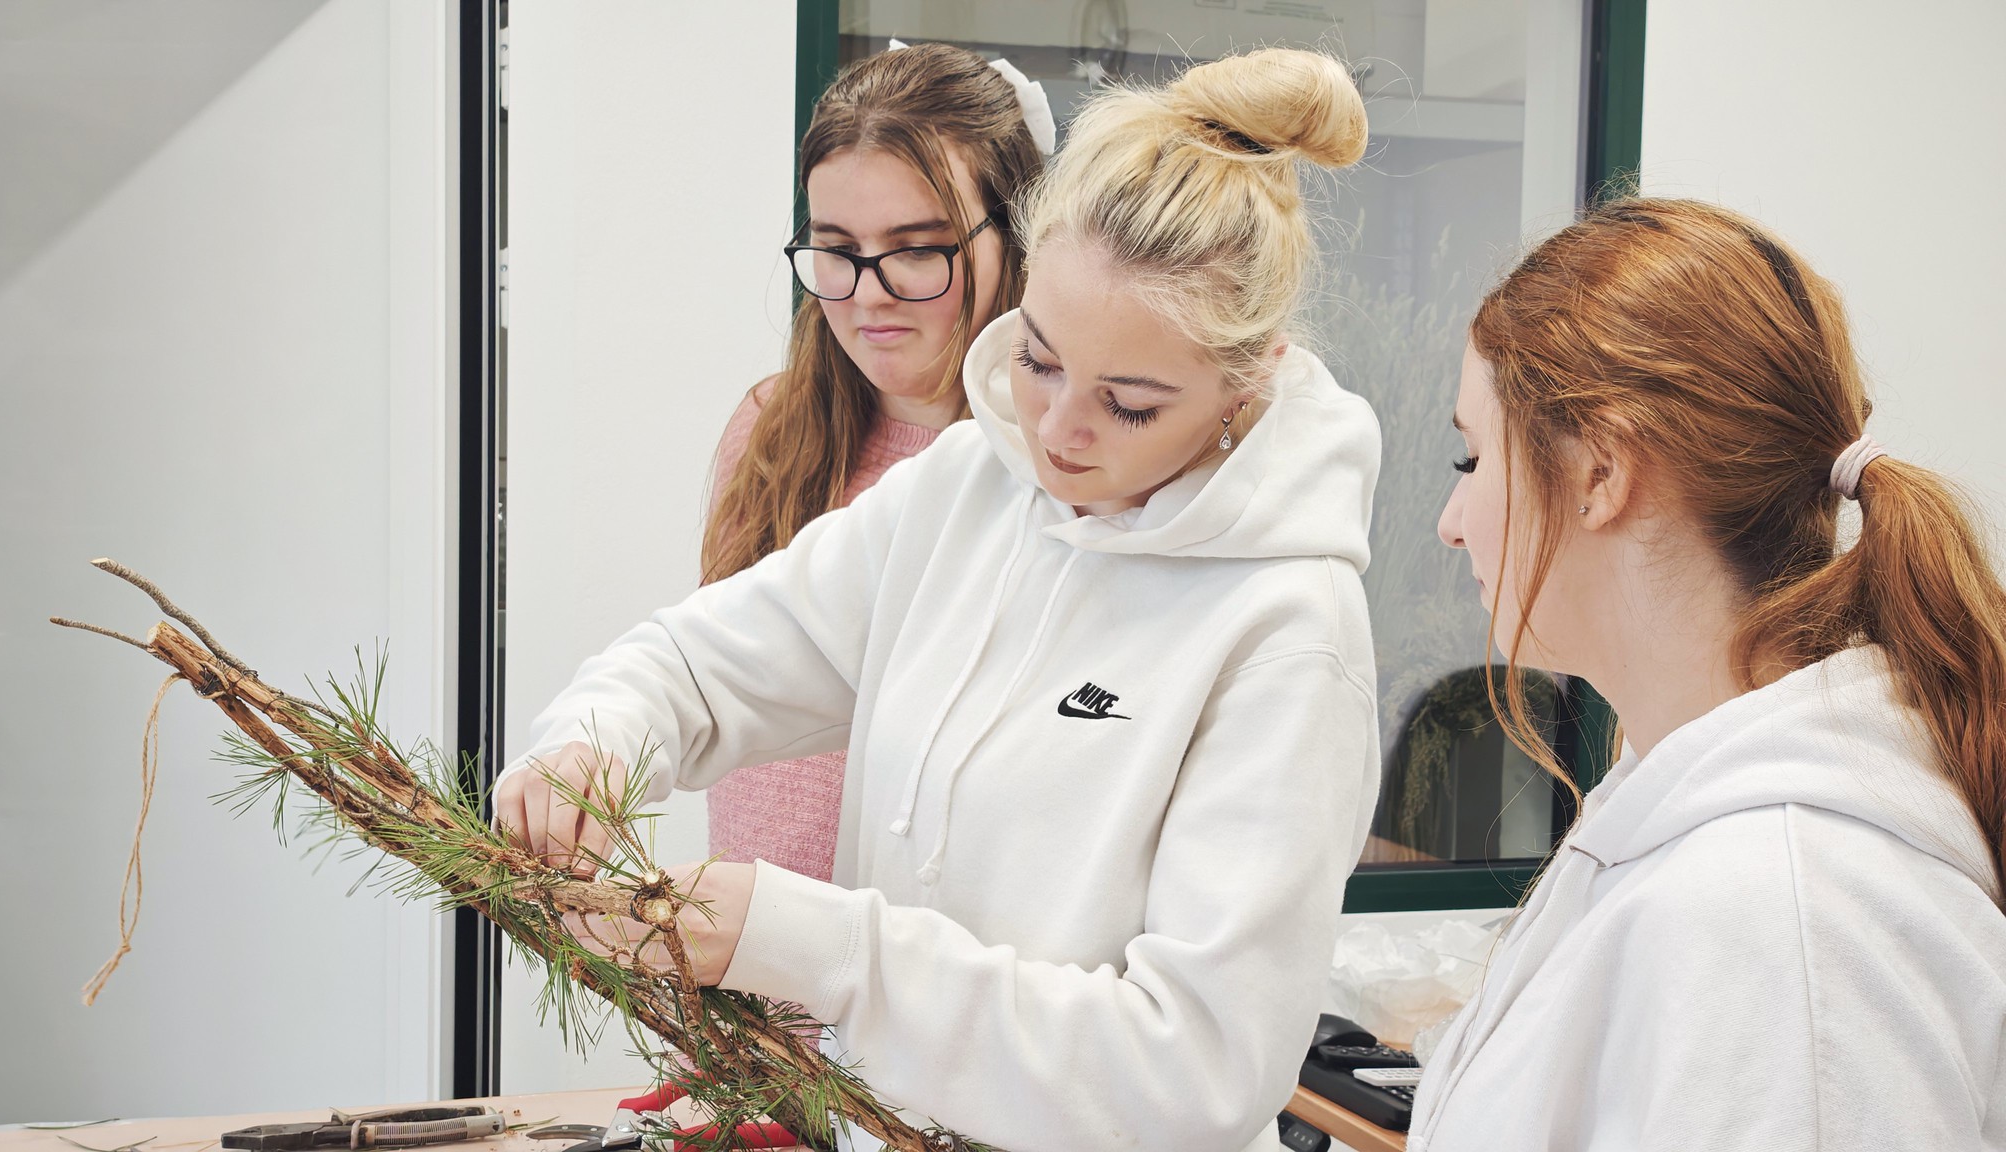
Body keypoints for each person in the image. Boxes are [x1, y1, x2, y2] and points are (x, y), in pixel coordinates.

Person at [495, 46, 1382, 1152]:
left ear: (1245, 389)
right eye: (1041, 361)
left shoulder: (1284, 636)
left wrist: (817, 946)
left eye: (1131, 404)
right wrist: (590, 743)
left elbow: (1189, 1075)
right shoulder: (970, 488)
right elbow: (696, 663)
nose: (1058, 430)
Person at [1416, 198, 2006, 1149]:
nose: (1452, 520)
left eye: (1472, 457)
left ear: (1602, 470)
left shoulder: (1782, 921)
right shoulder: (1677, 804)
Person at [703, 41, 1049, 883]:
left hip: (928, 994)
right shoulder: (770, 432)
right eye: (836, 248)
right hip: (736, 984)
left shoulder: (1064, 466)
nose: (867, 292)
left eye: (917, 247)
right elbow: (719, 682)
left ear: (1019, 235)